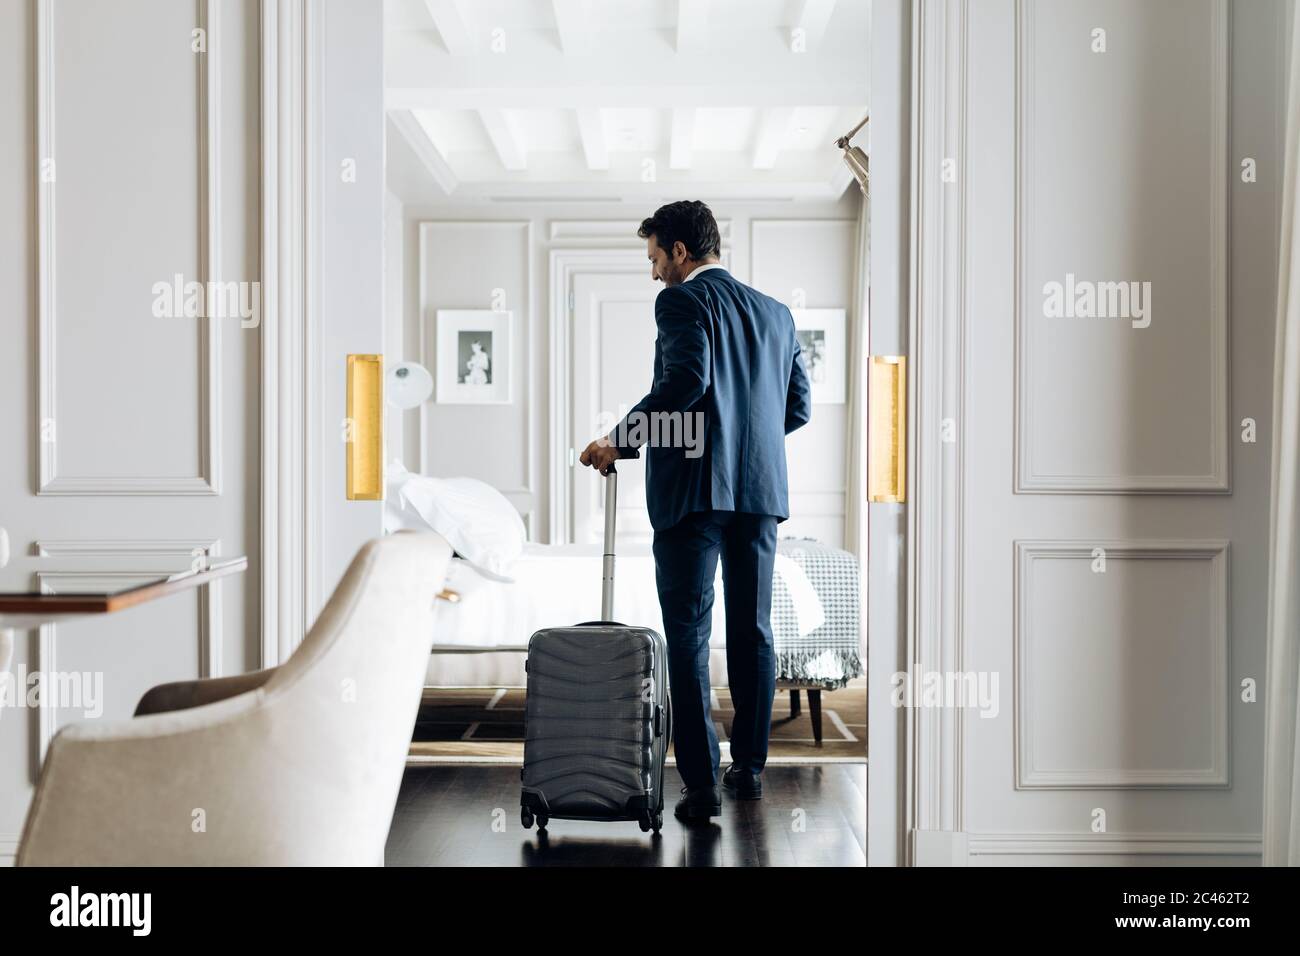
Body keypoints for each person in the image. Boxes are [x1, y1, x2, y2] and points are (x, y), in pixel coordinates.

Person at [579, 200, 812, 823]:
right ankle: (752, 770)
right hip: (759, 495)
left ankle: (703, 785)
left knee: (688, 631)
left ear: (681, 251)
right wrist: (745, 440)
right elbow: (797, 409)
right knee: (753, 629)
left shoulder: (682, 301)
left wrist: (618, 440)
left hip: (693, 494)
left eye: (655, 258)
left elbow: (685, 382)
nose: (654, 273)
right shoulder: (778, 314)